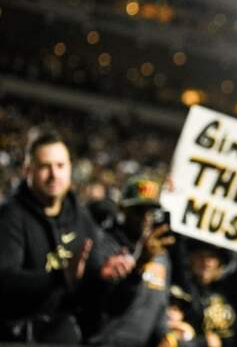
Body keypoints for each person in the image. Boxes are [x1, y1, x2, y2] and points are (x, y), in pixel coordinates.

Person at [0, 129, 134, 343]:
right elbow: (5, 282)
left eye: (60, 166)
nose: (54, 174)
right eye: (45, 166)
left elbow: (89, 294)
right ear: (28, 170)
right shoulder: (10, 217)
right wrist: (60, 277)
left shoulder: (80, 216)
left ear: (70, 168)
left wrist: (103, 274)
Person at [88, 176, 177, 346]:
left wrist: (164, 335)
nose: (145, 218)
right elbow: (108, 304)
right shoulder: (104, 244)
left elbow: (159, 304)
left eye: (151, 212)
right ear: (123, 210)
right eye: (139, 210)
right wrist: (140, 263)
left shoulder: (161, 255)